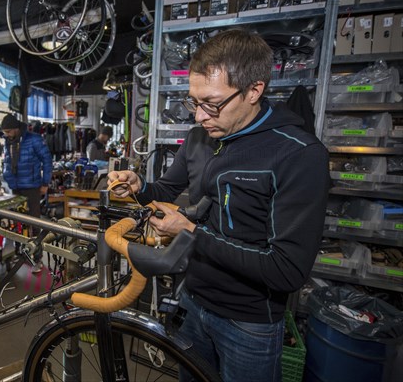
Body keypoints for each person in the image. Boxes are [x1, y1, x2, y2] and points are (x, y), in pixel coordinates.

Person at [108, 29, 330, 382]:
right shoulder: (201, 135)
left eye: (211, 103)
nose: (198, 116)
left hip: (249, 322)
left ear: (254, 90)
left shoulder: (298, 154)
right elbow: (167, 187)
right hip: (193, 302)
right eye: (193, 102)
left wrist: (192, 233)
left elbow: (287, 270)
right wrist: (139, 186)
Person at [1, 114, 52, 273]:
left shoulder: (34, 139)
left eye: (9, 131)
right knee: (16, 222)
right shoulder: (8, 142)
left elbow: (47, 159)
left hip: (32, 187)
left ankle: (37, 259)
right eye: (5, 132)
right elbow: (8, 162)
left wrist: (45, 182)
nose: (7, 135)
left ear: (16, 128)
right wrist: (8, 180)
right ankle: (20, 254)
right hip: (15, 188)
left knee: (35, 224)